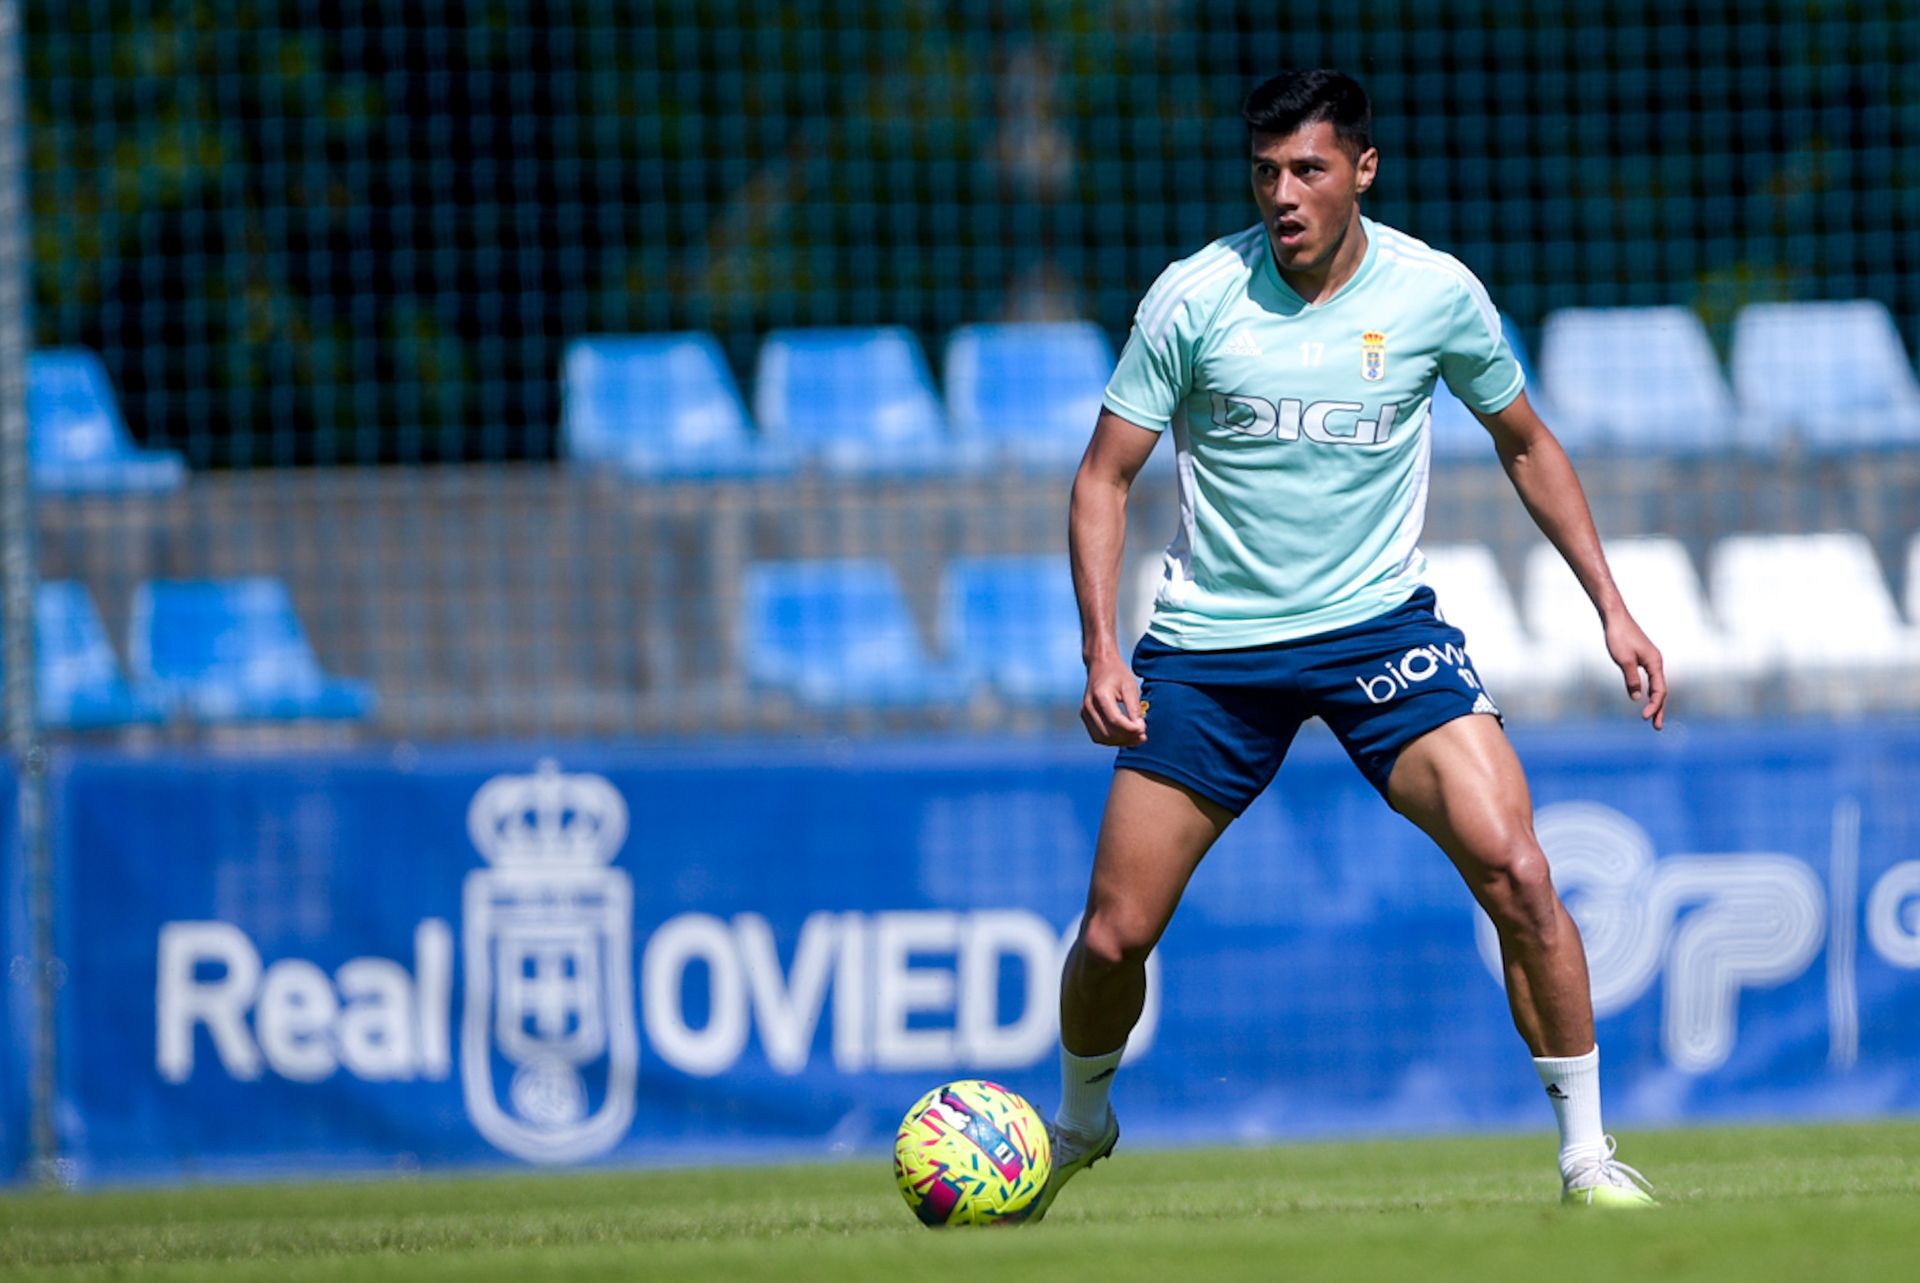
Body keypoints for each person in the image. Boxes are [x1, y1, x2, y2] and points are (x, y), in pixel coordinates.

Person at [1028, 68, 1665, 1220]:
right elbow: (1103, 474)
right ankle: (1081, 1115)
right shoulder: (1193, 296)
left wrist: (1611, 605)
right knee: (1115, 936)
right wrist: (1102, 653)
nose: (1285, 193)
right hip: (1212, 650)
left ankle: (1587, 1158)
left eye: (1309, 169)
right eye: (1266, 172)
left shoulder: (1435, 293)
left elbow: (1526, 442)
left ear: (1362, 170)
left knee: (1518, 868)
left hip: (1379, 632)